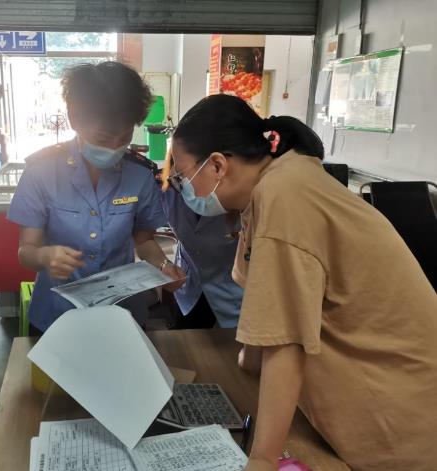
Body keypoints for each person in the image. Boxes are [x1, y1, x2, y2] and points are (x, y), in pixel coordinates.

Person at [171, 94, 437, 471]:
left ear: (217, 165)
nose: (184, 188)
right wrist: (250, 360)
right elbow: (267, 302)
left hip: (399, 413)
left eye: (184, 175)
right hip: (372, 394)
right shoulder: (277, 184)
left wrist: (262, 460)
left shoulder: (285, 195)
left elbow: (285, 342)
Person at [8, 61, 184, 334]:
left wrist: (163, 266)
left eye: (124, 137)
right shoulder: (42, 172)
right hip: (57, 316)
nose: (114, 147)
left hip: (121, 315)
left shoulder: (139, 175)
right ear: (74, 119)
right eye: (103, 138)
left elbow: (144, 241)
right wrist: (44, 256)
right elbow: (26, 251)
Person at [161, 152, 243, 329]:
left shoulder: (244, 195)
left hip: (233, 289)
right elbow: (144, 234)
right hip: (189, 285)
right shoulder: (169, 190)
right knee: (190, 339)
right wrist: (163, 264)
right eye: (180, 177)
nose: (188, 185)